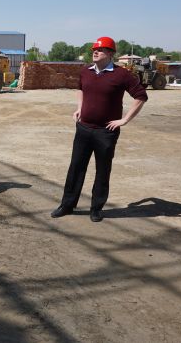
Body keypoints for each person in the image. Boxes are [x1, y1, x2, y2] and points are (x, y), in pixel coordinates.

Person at [51, 36, 148, 222]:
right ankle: (67, 205)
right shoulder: (85, 72)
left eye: (100, 49)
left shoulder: (122, 75)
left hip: (106, 132)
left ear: (110, 54)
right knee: (76, 167)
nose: (95, 52)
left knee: (102, 170)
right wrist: (80, 108)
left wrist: (124, 120)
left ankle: (96, 208)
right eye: (94, 49)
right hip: (84, 128)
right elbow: (81, 88)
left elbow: (141, 96)